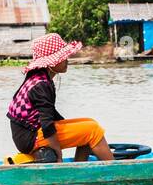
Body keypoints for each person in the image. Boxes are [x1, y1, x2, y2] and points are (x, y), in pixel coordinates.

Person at [7, 34, 115, 162]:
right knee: (93, 130)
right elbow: (47, 125)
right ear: (49, 64)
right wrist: (58, 155)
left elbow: (50, 113)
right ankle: (118, 171)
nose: (67, 60)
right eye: (62, 57)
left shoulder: (38, 78)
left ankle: (79, 167)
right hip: (31, 138)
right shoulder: (41, 85)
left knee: (88, 123)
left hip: (28, 134)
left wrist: (72, 129)